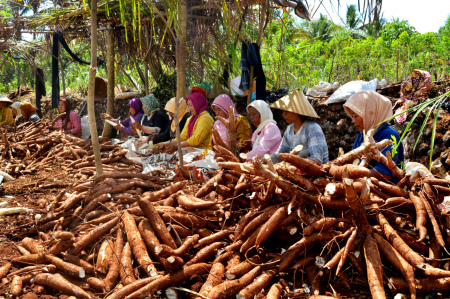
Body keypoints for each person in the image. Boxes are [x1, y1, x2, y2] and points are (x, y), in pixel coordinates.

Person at [344, 90, 404, 183]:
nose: (353, 121)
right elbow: (352, 160)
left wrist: (354, 175)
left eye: (356, 116)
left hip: (386, 190)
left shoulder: (389, 135)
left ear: (370, 114)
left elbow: (386, 173)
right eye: (352, 117)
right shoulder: (362, 135)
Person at [270, 90, 329, 164]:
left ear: (297, 112)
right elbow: (280, 155)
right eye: (283, 111)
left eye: (287, 111)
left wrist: (294, 165)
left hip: (317, 172)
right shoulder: (289, 130)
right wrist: (263, 160)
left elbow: (317, 159)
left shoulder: (313, 128)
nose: (283, 114)